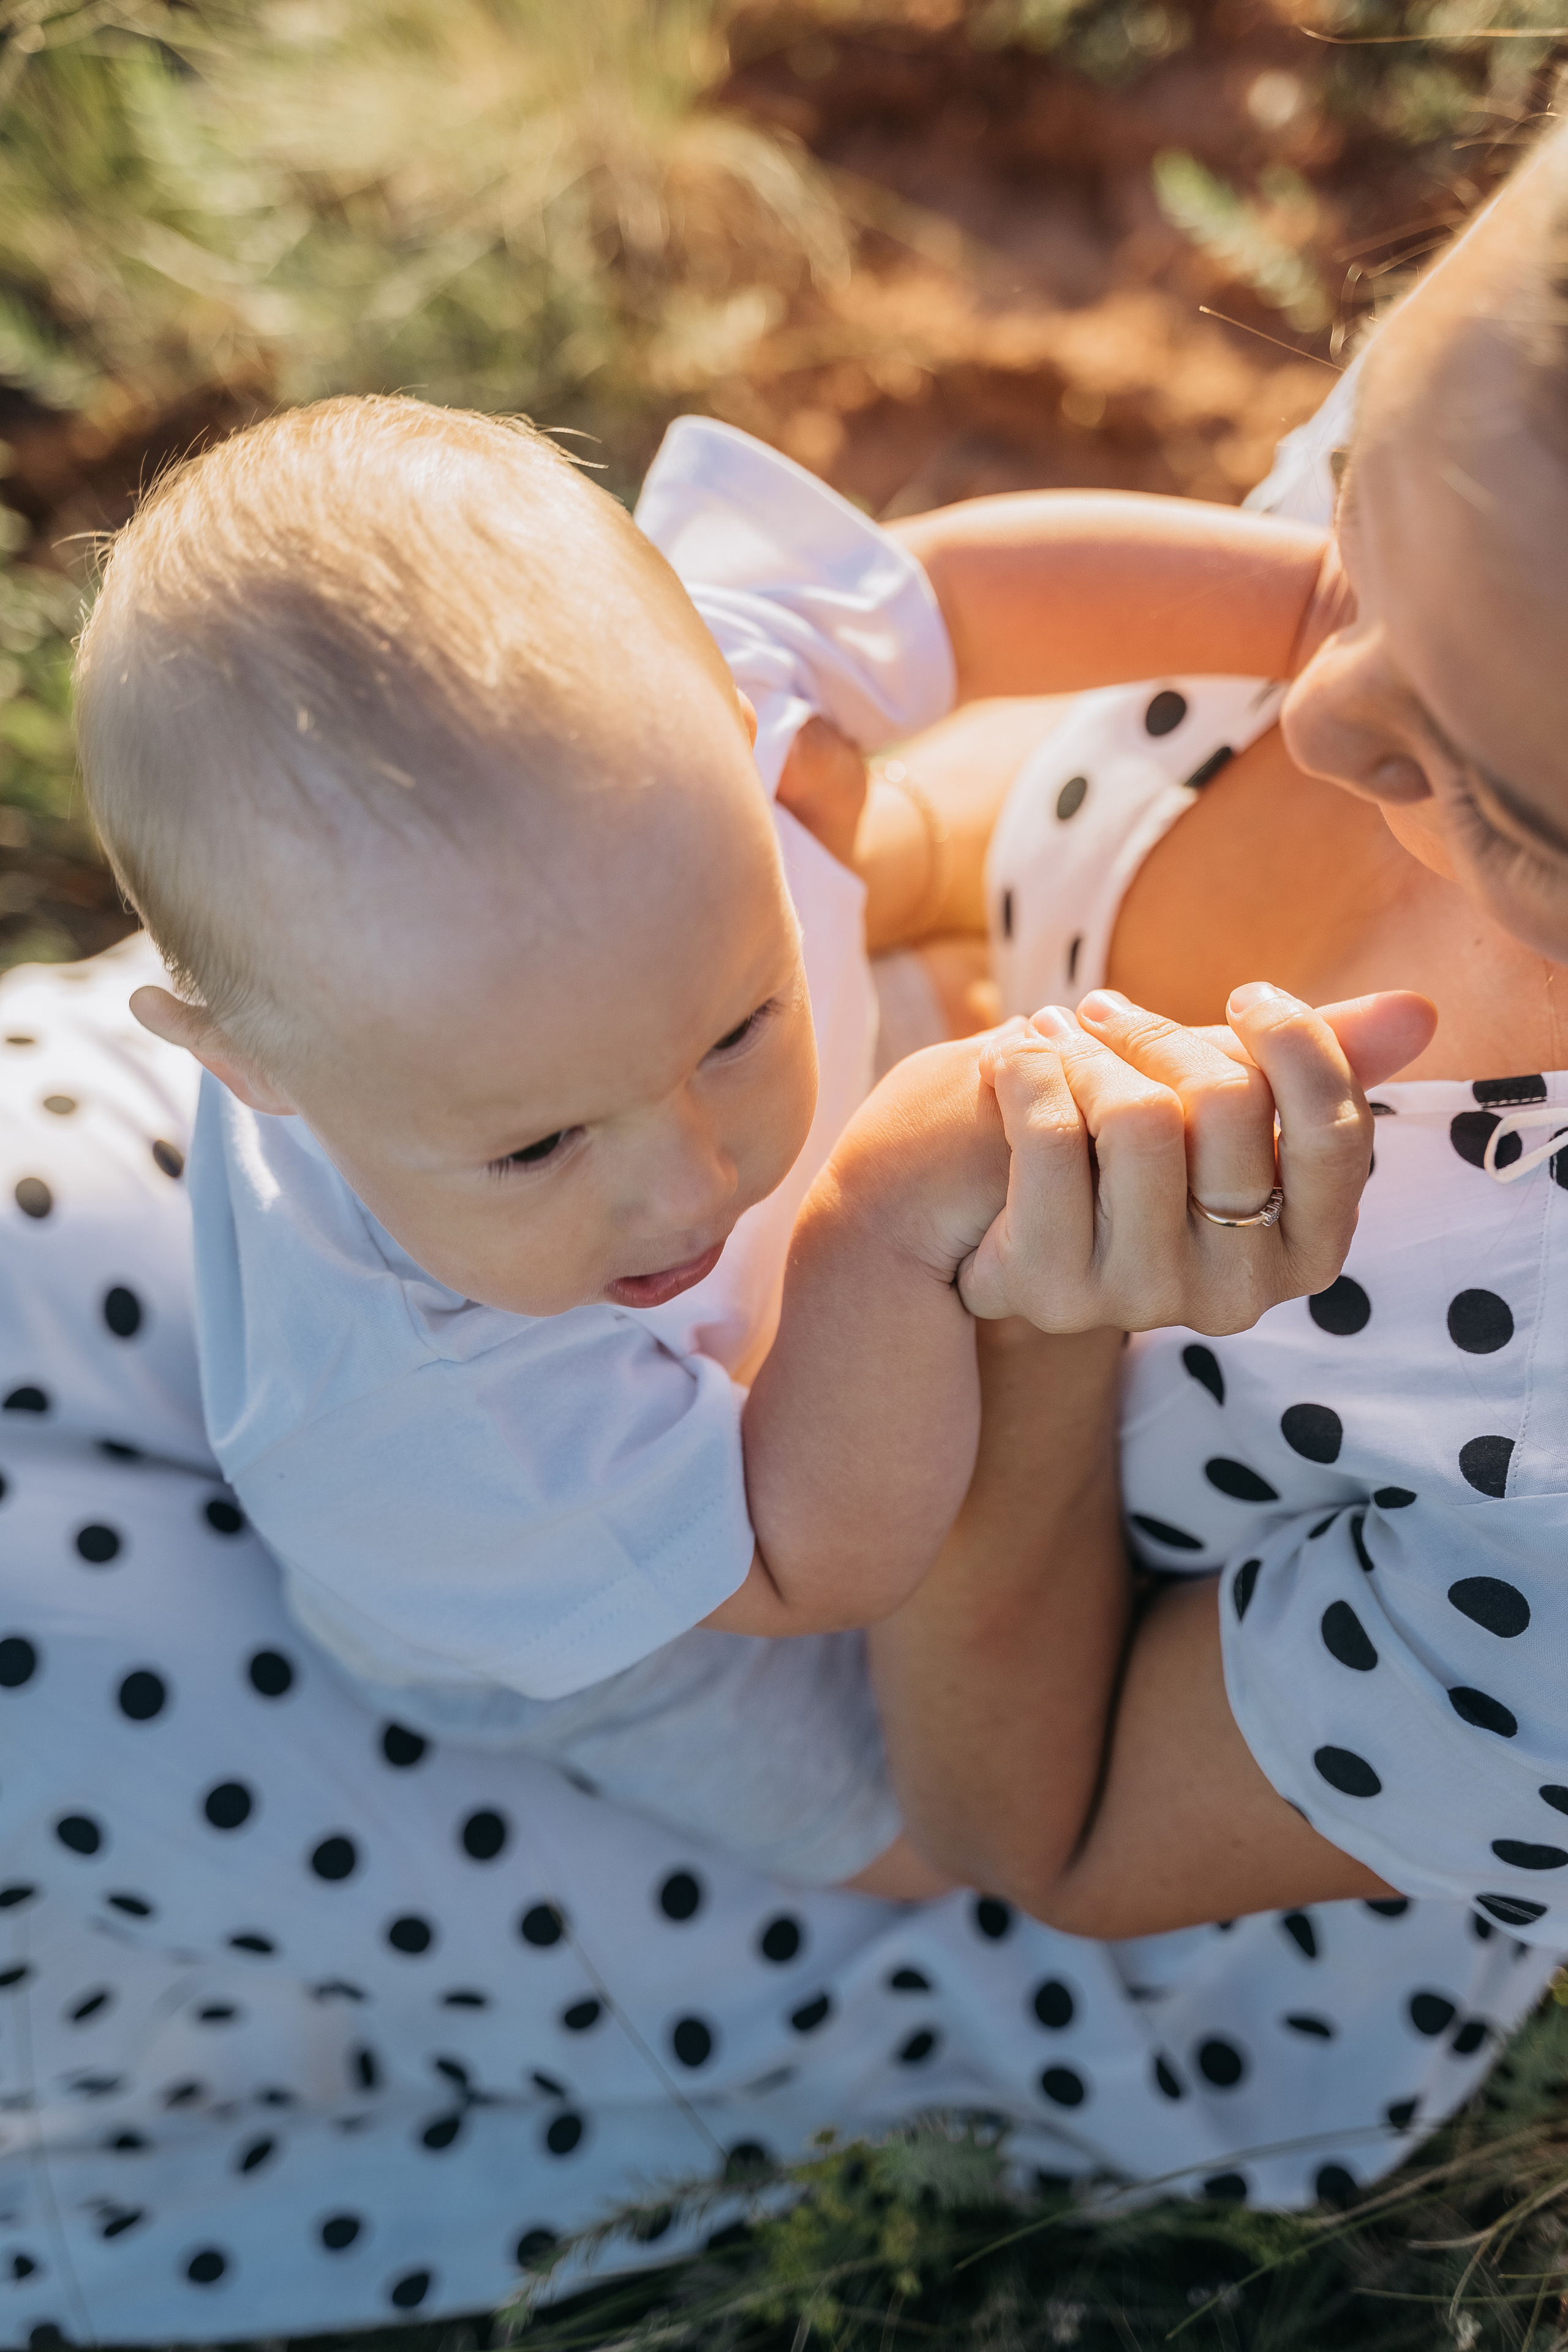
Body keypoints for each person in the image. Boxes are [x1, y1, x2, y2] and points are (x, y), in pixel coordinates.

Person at [67, 392, 1357, 1894]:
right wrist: (870, 1222)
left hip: (639, 1377)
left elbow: (946, 597)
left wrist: (1313, 605)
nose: (693, 1181)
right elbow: (810, 1564)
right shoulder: (440, 1426)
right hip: (607, 1594)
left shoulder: (668, 722)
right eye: (538, 1146)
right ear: (245, 1065)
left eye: (736, 1031)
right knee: (898, 1844)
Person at [871, 115, 1568, 1974]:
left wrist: (1026, 1321)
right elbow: (1051, 782)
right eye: (1359, 517)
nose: (1322, 706)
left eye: (1503, 805)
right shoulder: (1510, 449)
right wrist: (855, 857)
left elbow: (1048, 1824)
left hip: (866, 1745)